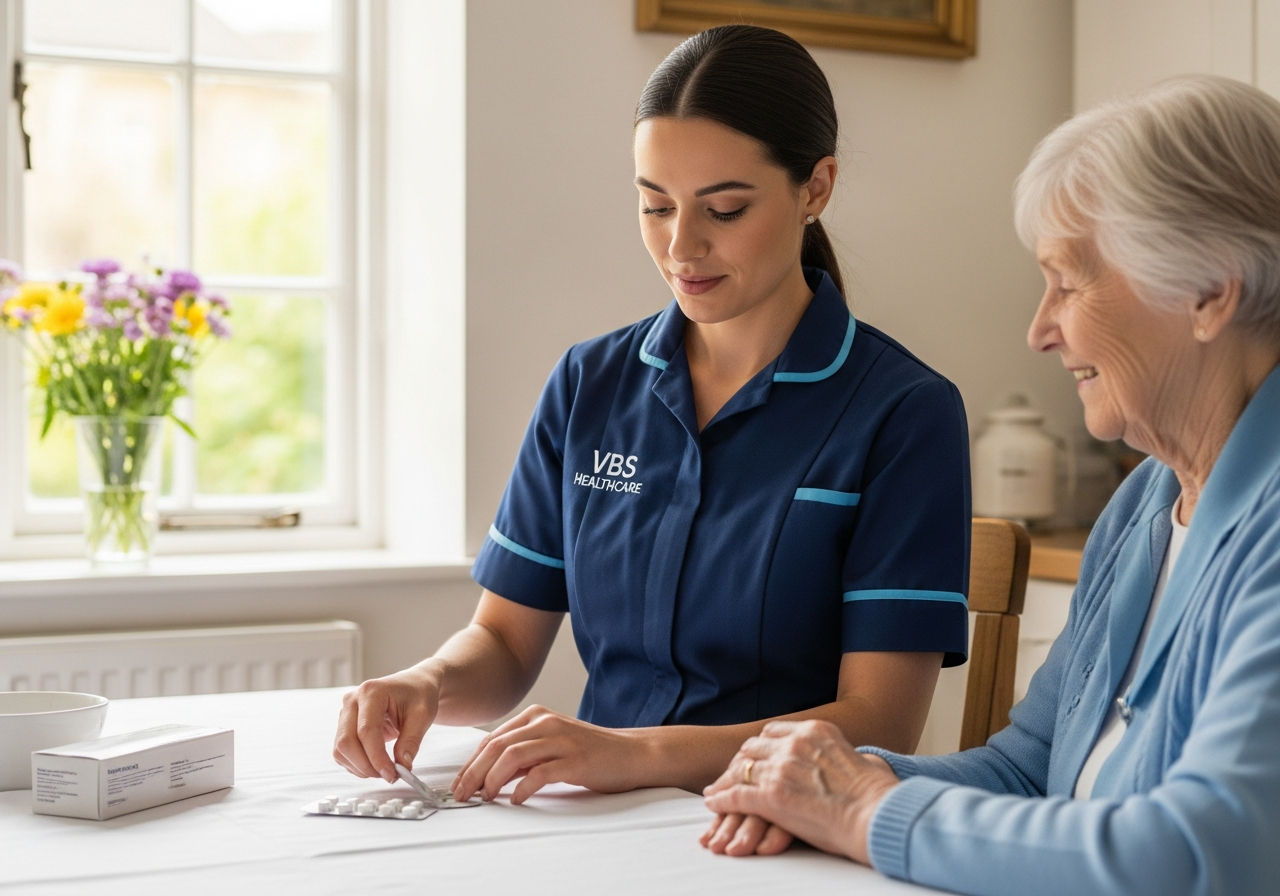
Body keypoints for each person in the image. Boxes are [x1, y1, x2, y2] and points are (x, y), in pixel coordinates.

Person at [333, 25, 970, 806]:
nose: (681, 247)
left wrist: (633, 753)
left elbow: (880, 723)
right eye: (654, 205)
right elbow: (503, 643)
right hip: (601, 818)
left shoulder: (904, 413)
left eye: (725, 209)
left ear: (816, 187)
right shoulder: (587, 384)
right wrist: (423, 681)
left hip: (780, 831)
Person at [700, 74, 1280, 896]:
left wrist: (865, 811)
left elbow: (1200, 851)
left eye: (1069, 282)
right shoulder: (1148, 503)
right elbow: (1029, 767)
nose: (1040, 329)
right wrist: (827, 781)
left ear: (1210, 291)